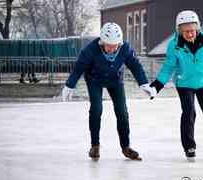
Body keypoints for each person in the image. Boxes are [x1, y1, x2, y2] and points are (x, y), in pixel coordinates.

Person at [61, 22, 156, 161]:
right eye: (108, 45)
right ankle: (95, 146)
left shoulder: (125, 49)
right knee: (96, 109)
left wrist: (143, 83)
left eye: (114, 45)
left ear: (120, 43)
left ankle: (126, 147)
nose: (111, 49)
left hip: (115, 81)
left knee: (122, 112)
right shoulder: (90, 49)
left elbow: (135, 66)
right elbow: (79, 68)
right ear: (102, 42)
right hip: (94, 80)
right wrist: (69, 85)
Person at [150, 10, 203, 161]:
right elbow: (169, 67)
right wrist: (156, 86)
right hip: (184, 83)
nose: (189, 34)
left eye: (192, 30)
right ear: (179, 31)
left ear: (197, 29)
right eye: (185, 31)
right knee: (189, 113)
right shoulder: (174, 45)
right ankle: (189, 146)